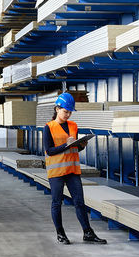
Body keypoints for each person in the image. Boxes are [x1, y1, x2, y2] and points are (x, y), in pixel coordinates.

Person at [43, 92, 107, 246]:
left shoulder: (73, 126)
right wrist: (66, 144)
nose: (68, 115)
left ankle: (88, 233)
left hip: (72, 170)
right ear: (57, 109)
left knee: (79, 202)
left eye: (70, 112)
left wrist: (81, 145)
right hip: (57, 172)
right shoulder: (48, 127)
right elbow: (49, 151)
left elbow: (74, 149)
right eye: (65, 111)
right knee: (56, 203)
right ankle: (60, 234)